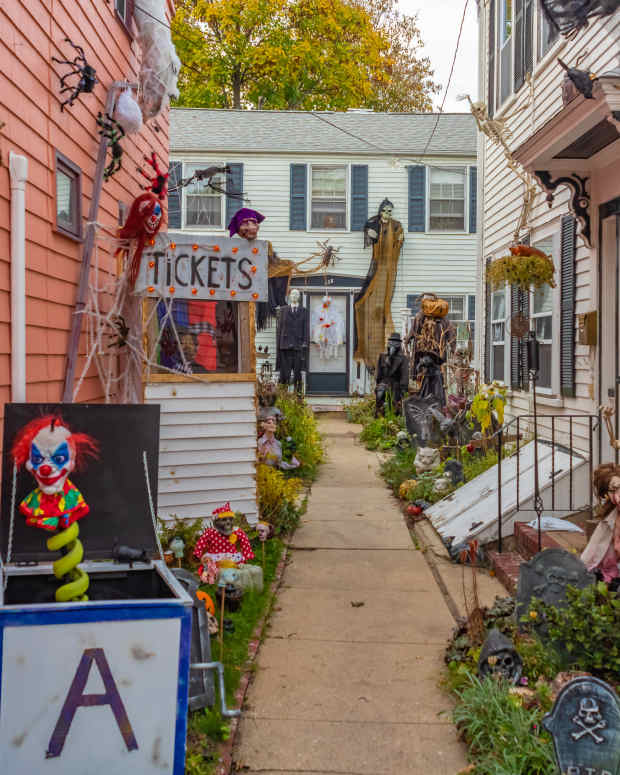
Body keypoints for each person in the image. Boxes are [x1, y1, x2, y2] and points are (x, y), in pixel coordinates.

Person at [354, 199, 404, 371]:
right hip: (378, 266)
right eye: (385, 211)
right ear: (381, 211)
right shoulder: (373, 224)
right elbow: (369, 235)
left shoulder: (396, 227)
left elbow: (399, 242)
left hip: (389, 267)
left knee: (384, 307)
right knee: (361, 303)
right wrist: (371, 234)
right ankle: (367, 353)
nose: (388, 214)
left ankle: (378, 357)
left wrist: (399, 241)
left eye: (390, 211)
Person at [228, 207, 294, 331]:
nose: (251, 227)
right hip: (239, 291)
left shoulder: (264, 246)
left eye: (254, 224)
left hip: (258, 290)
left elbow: (274, 265)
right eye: (247, 224)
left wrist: (285, 266)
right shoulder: (234, 248)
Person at [405, 293, 456, 407]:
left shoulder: (420, 318)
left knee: (425, 382)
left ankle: (426, 405)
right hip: (437, 358)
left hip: (423, 357)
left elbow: (411, 333)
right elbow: (452, 336)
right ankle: (437, 405)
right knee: (435, 383)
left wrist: (407, 341)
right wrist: (453, 349)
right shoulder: (443, 320)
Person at [581, 463, 620, 590]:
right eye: (612, 491)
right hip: (611, 575)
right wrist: (580, 570)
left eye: (618, 487)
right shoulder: (610, 519)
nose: (617, 495)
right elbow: (592, 549)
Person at [375, 332, 409, 416]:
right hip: (384, 383)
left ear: (399, 345)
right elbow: (378, 374)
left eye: (395, 342)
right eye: (391, 342)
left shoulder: (403, 359)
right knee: (380, 396)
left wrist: (403, 389)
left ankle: (394, 416)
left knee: (394, 404)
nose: (393, 344)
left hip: (396, 385)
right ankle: (379, 414)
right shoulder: (382, 356)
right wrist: (378, 384)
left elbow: (404, 376)